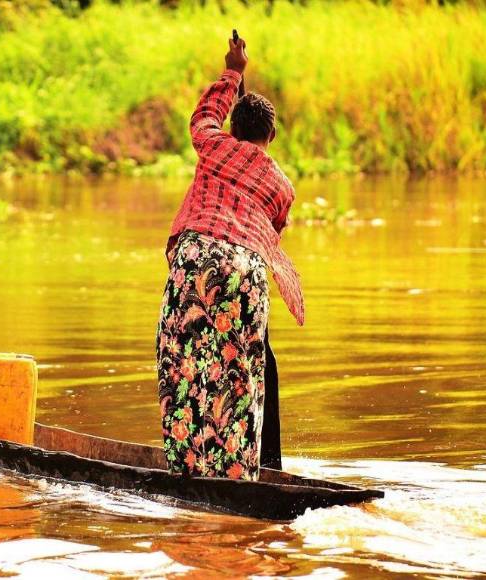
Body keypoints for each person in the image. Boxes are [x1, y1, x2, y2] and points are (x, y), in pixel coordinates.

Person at [156, 35, 304, 481]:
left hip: (197, 257)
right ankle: (237, 474)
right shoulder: (282, 187)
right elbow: (274, 233)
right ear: (271, 137)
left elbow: (203, 117)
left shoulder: (214, 144)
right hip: (247, 273)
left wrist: (232, 71)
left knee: (183, 359)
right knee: (239, 377)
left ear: (234, 129)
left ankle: (189, 470)